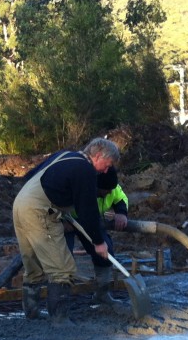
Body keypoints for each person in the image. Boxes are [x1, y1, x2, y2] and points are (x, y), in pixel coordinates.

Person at [12, 137, 121, 324]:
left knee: (34, 264)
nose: (106, 170)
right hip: (40, 211)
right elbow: (88, 210)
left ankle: (31, 313)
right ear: (97, 156)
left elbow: (31, 176)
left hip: (21, 204)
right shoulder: (85, 170)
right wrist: (99, 242)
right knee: (62, 269)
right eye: (107, 165)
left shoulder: (64, 156)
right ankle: (60, 321)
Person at [64, 166, 130, 305]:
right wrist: (63, 220)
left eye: (110, 191)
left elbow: (120, 198)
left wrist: (121, 212)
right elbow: (56, 203)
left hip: (91, 220)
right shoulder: (80, 186)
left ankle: (102, 294)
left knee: (106, 252)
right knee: (62, 260)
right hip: (68, 222)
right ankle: (60, 304)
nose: (108, 194)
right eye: (104, 191)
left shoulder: (111, 187)